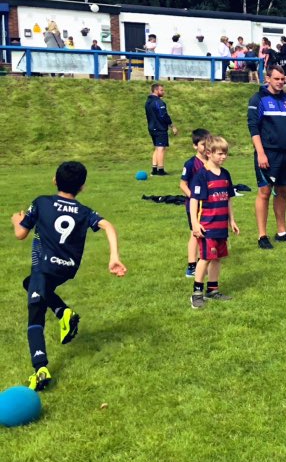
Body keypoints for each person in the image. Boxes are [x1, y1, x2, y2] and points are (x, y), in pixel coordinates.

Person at [11, 161, 127, 390]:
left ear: (55, 180)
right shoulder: (84, 212)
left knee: (35, 313)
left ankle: (40, 368)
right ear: (82, 186)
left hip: (43, 268)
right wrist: (113, 256)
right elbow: (108, 226)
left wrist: (17, 221)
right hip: (67, 268)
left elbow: (21, 234)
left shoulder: (41, 202)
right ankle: (64, 313)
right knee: (31, 284)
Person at [248, 65, 286, 249]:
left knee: (283, 192)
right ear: (268, 79)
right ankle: (262, 236)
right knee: (264, 192)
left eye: (283, 79)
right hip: (268, 153)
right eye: (276, 79)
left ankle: (281, 232)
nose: (280, 82)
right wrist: (261, 153)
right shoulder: (258, 99)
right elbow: (253, 128)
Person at [189, 135, 240, 309]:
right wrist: (195, 224)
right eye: (219, 154)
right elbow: (194, 201)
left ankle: (212, 290)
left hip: (221, 227)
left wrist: (232, 220)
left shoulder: (225, 175)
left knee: (217, 258)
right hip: (207, 227)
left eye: (225, 154)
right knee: (205, 258)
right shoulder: (202, 175)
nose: (223, 157)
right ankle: (197, 293)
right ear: (209, 153)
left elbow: (229, 200)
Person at [180, 128, 211, 278]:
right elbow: (182, 185)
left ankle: (203, 259)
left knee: (205, 232)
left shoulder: (212, 162)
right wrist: (194, 198)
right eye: (203, 144)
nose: (206, 147)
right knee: (195, 233)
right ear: (195, 146)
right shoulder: (191, 164)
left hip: (208, 206)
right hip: (194, 207)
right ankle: (191, 266)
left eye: (208, 144)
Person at [145, 83, 178, 175]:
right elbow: (163, 115)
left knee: (157, 147)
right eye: (161, 90)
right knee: (161, 148)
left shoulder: (148, 102)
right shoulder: (159, 102)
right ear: (156, 90)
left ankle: (154, 169)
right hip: (159, 128)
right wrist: (172, 126)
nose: (163, 92)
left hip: (151, 127)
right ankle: (161, 170)